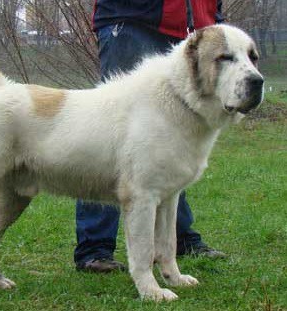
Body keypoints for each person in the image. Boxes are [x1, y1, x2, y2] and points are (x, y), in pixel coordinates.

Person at [75, 0, 227, 273]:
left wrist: (212, 18)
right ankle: (95, 247)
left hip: (192, 32)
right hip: (133, 21)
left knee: (177, 145)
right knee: (109, 137)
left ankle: (179, 239)